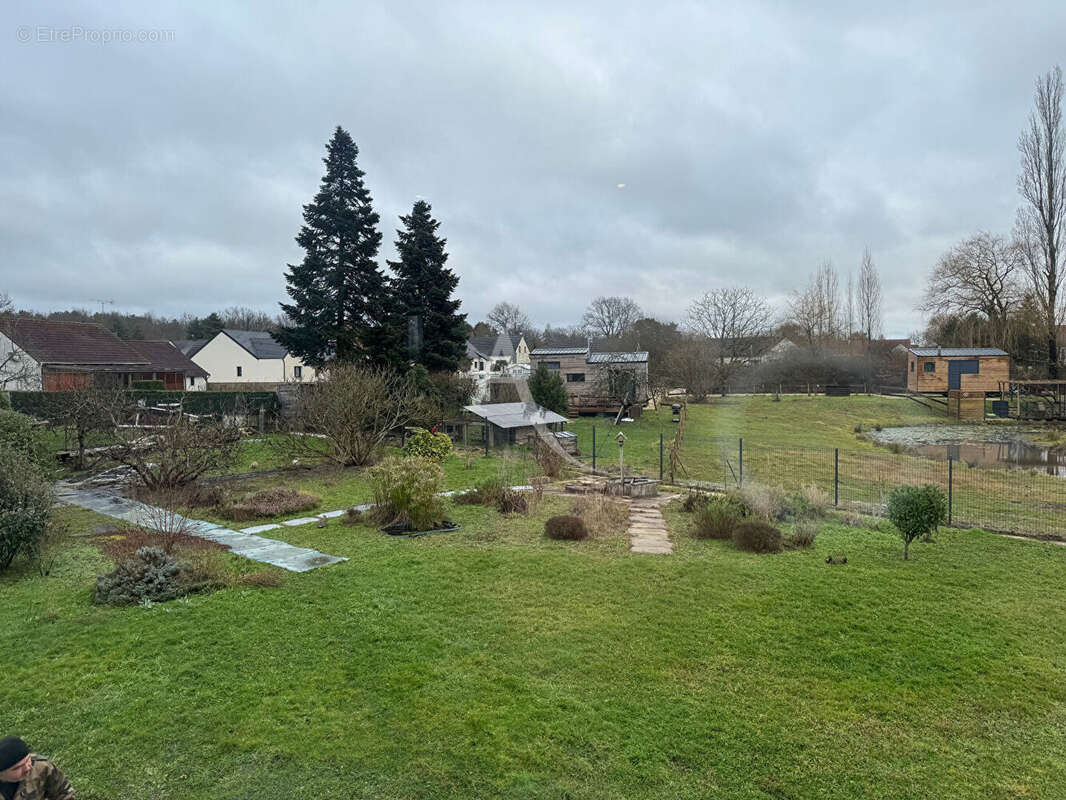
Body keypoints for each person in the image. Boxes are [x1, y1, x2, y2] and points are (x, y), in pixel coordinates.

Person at [0, 737, 75, 800]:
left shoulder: (40, 766)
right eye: (17, 768)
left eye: (27, 760)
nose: (27, 767)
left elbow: (63, 792)